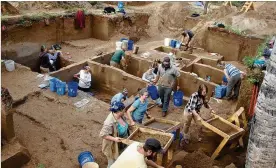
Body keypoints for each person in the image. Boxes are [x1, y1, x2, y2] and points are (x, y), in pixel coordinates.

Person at [100, 102, 129, 168]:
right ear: (119, 111)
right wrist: (114, 139)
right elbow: (102, 135)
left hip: (122, 142)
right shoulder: (109, 122)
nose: (125, 110)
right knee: (112, 163)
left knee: (120, 157)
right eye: (124, 109)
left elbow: (124, 125)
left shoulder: (121, 115)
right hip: (112, 146)